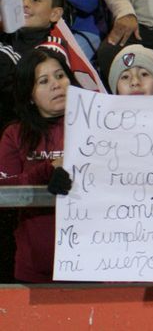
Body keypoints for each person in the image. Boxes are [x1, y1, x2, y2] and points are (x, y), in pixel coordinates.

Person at [0, 46, 75, 283]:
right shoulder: (15, 134)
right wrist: (46, 171)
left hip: (94, 262)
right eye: (43, 81)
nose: (56, 84)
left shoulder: (101, 125)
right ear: (29, 95)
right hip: (36, 269)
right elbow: (4, 187)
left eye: (60, 76)